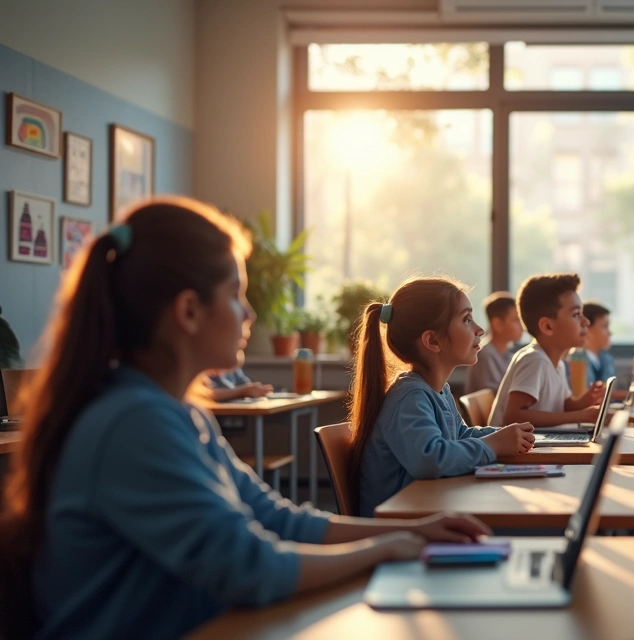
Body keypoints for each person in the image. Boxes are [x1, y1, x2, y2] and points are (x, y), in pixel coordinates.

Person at [0, 198, 491, 639]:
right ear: (189, 311)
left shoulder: (178, 413)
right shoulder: (133, 422)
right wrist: (387, 549)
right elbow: (249, 567)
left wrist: (413, 531)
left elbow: (275, 518)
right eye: (237, 294)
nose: (250, 313)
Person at [349, 277, 537, 517]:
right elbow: (431, 460)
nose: (479, 329)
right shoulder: (410, 396)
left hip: (426, 514)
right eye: (467, 319)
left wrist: (505, 435)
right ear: (433, 341)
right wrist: (493, 444)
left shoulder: (437, 389)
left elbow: (459, 435)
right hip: (398, 528)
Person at [487, 274, 605, 427]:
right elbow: (513, 417)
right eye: (576, 315)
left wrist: (585, 402)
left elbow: (564, 407)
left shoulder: (557, 364)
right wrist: (581, 415)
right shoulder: (534, 360)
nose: (586, 321)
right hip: (510, 451)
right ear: (548, 326)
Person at [464, 291, 523, 395]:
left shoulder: (507, 355)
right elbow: (492, 395)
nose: (522, 326)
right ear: (498, 324)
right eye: (516, 320)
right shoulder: (485, 354)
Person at [565, 302, 625, 400]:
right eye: (605, 326)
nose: (610, 333)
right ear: (587, 329)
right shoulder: (574, 357)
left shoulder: (606, 358)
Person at [201, 367, 273, 402]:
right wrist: (242, 391)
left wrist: (256, 389)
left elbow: (244, 383)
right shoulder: (203, 365)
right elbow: (206, 393)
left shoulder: (233, 363)